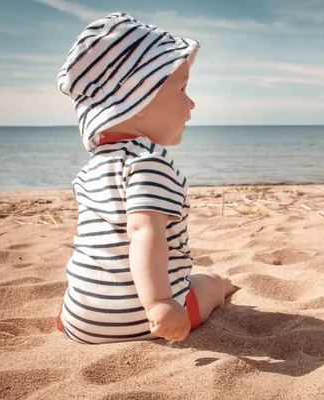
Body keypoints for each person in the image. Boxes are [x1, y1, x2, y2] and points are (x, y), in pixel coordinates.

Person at [55, 12, 235, 344]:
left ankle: (81, 316)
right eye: (182, 88)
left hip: (78, 320)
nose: (191, 102)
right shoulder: (148, 162)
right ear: (137, 99)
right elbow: (142, 232)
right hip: (140, 319)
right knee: (207, 284)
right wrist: (160, 303)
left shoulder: (91, 170)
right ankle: (221, 285)